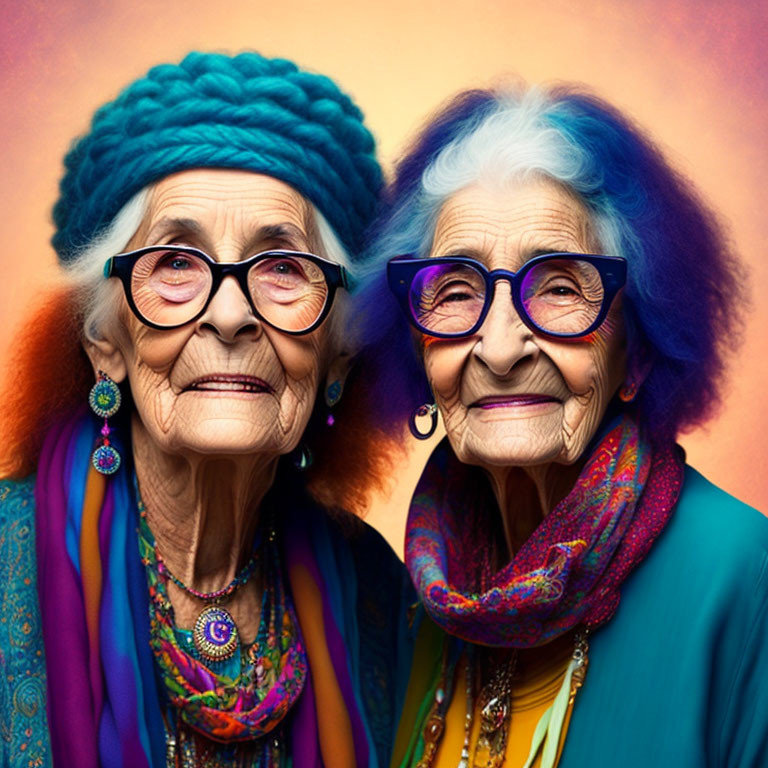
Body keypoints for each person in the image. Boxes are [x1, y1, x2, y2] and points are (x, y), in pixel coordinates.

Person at [0, 52, 413, 768]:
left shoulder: (381, 595)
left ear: (338, 357)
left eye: (284, 268)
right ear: (106, 344)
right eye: (176, 264)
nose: (230, 316)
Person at [358, 86, 768, 767]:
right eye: (456, 292)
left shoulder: (744, 579)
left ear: (636, 348)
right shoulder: (424, 599)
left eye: (558, 286)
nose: (499, 347)